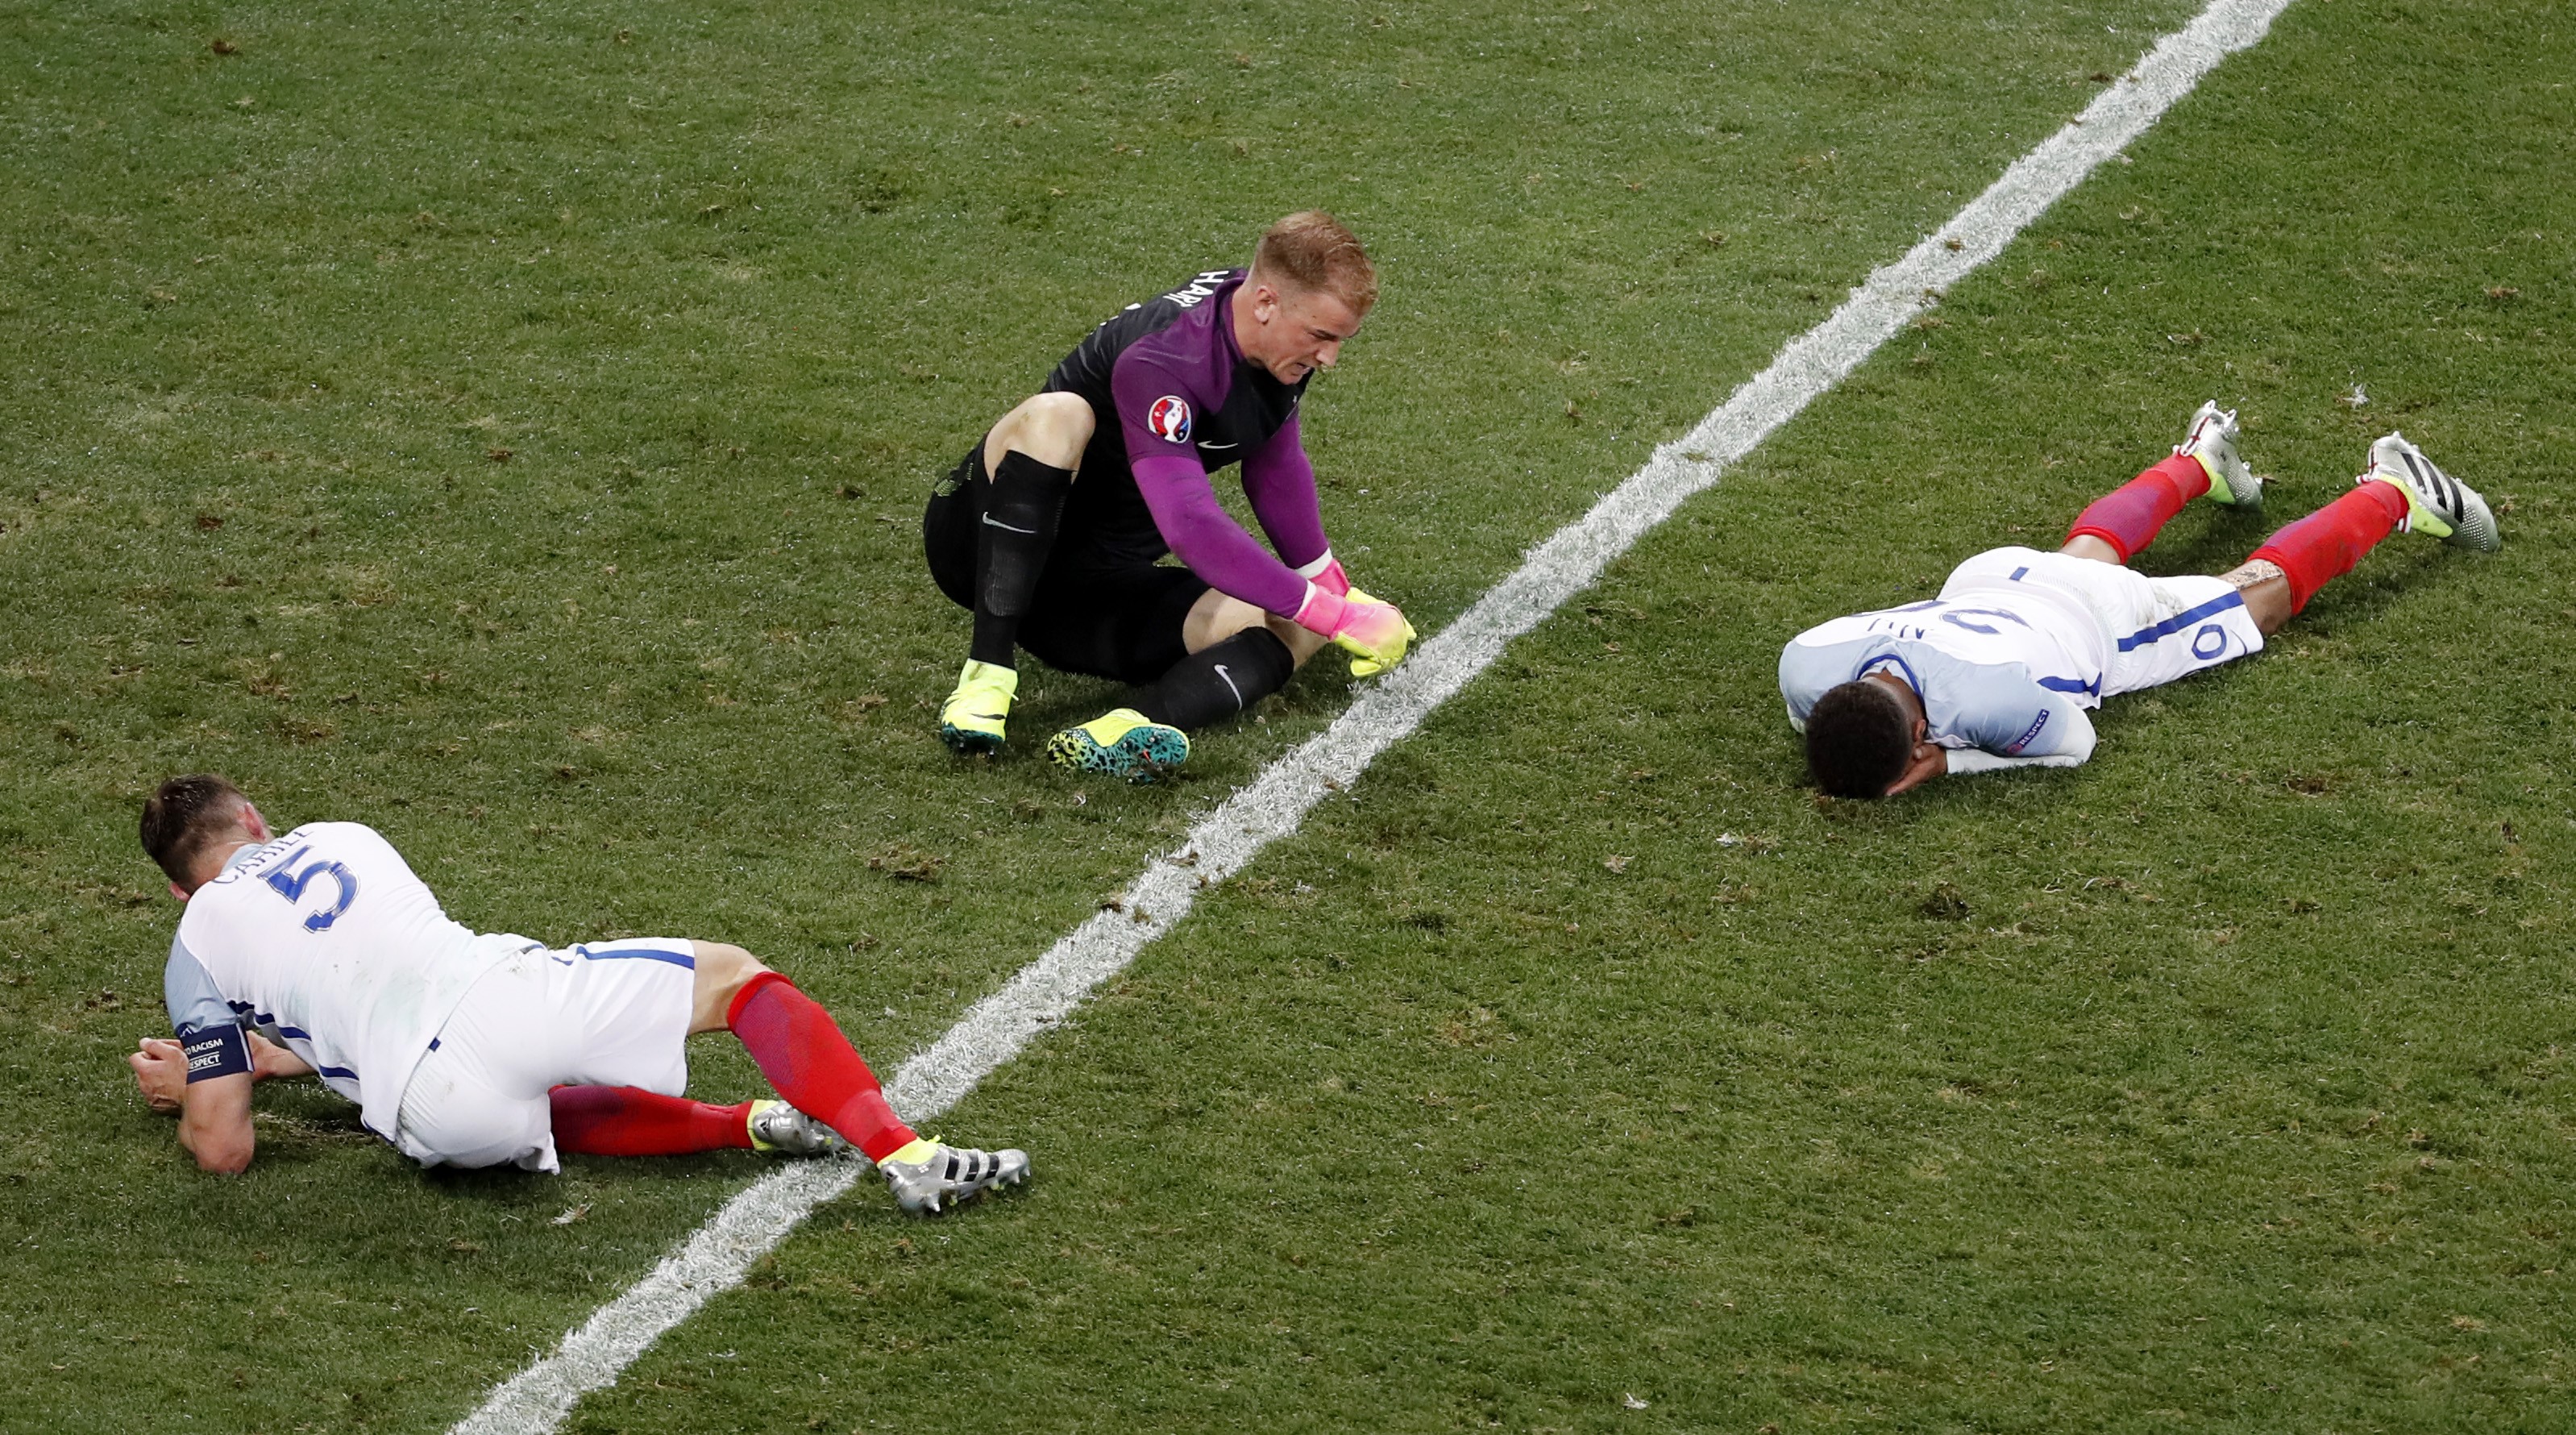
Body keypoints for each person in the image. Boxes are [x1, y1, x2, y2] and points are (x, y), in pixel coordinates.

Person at [124, 775, 1027, 1216]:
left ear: (178, 890)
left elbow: (224, 1148)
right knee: (737, 978)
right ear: (252, 819)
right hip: (495, 998)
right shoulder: (342, 833)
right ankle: (904, 1153)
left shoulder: (195, 941)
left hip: (430, 1120)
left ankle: (750, 1122)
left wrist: (197, 1089)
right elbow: (367, 968)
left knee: (533, 1107)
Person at [1781, 403, 2500, 798]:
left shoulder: (1986, 706)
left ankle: (2396, 489)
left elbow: (2076, 743)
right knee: (2081, 554)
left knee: (2256, 600)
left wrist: (1953, 764)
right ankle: (2196, 461)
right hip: (1993, 581)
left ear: (1917, 739)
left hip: (2104, 624)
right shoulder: (1807, 665)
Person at [922, 210, 1415, 781]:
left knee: (1299, 624)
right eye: (1323, 337)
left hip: (1090, 590)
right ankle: (986, 677)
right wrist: (1331, 610)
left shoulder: (1278, 334)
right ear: (1265, 304)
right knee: (1059, 417)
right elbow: (1189, 524)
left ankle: (1131, 727)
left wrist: (1334, 593)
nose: (1329, 358)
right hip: (985, 549)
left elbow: (1275, 467)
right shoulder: (1165, 356)